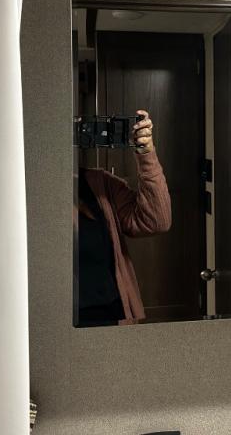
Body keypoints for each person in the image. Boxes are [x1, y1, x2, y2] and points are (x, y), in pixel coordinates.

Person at [76, 110, 171, 327]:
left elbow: (157, 221)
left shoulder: (99, 184)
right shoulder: (20, 193)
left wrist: (146, 154)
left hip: (110, 318)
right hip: (51, 325)